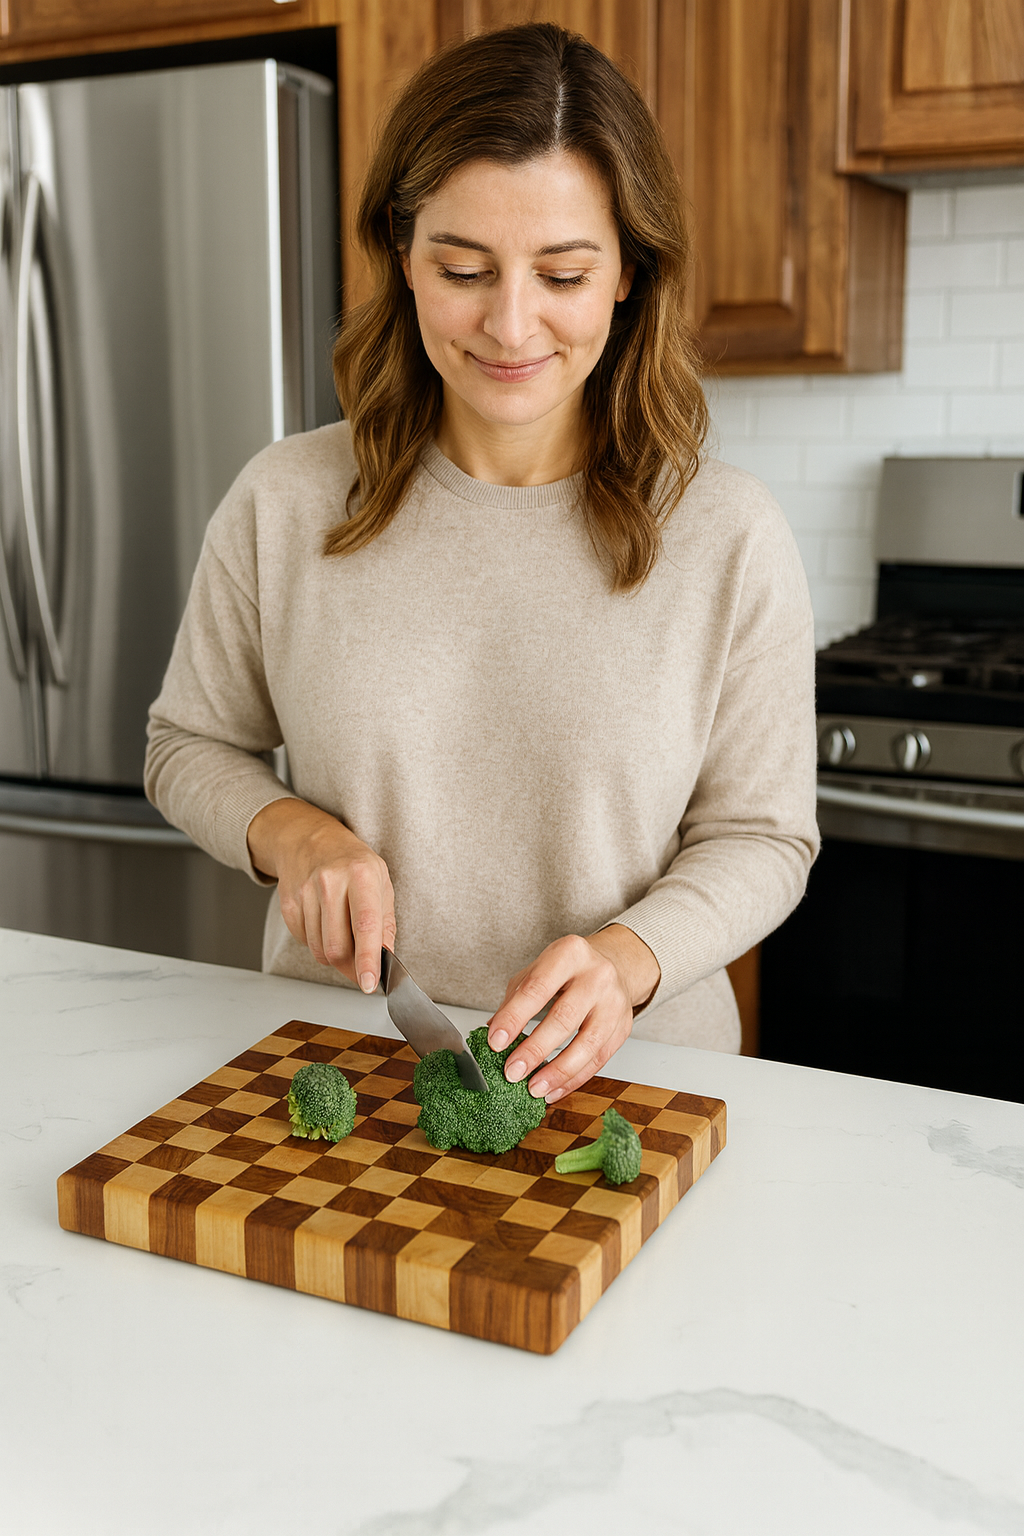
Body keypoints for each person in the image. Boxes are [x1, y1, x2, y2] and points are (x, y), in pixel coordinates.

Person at [145, 22, 819, 1105]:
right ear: (404, 256)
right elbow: (188, 744)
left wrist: (630, 960)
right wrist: (293, 836)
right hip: (345, 1068)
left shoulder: (728, 534)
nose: (510, 325)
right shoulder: (286, 498)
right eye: (463, 269)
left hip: (636, 1088)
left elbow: (764, 837)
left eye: (563, 273)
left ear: (629, 274)